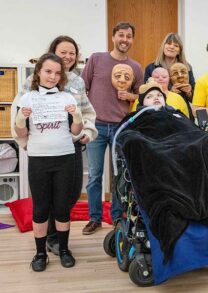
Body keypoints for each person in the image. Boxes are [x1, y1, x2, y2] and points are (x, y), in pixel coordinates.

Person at [11, 35, 97, 256]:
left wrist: (87, 132)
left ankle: (58, 236)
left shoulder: (77, 82)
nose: (68, 57)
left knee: (69, 195)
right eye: (63, 52)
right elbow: (18, 113)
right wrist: (25, 141)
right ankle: (51, 238)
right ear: (52, 54)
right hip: (43, 149)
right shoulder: (30, 83)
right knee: (44, 199)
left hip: (71, 148)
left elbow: (87, 112)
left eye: (72, 53)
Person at [14, 53, 83, 271]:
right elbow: (21, 132)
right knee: (41, 209)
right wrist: (20, 118)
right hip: (38, 160)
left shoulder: (68, 98)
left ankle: (63, 249)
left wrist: (78, 117)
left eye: (57, 73)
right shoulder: (27, 98)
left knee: (62, 208)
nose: (52, 77)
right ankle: (40, 253)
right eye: (48, 71)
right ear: (38, 73)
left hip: (65, 158)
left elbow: (75, 131)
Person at [81, 22, 143, 234]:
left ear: (132, 40)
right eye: (121, 35)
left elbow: (141, 96)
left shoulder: (135, 68)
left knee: (119, 175)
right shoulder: (96, 59)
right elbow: (83, 88)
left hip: (121, 127)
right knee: (95, 174)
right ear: (113, 37)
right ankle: (94, 218)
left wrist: (131, 96)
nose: (125, 39)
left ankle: (118, 217)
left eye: (129, 36)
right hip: (96, 126)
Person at [144, 33, 195, 103]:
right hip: (159, 109)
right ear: (163, 47)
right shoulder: (151, 68)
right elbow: (146, 95)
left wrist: (189, 92)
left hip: (181, 108)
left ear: (179, 51)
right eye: (168, 43)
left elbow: (195, 100)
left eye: (176, 45)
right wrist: (169, 91)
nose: (172, 47)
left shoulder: (187, 68)